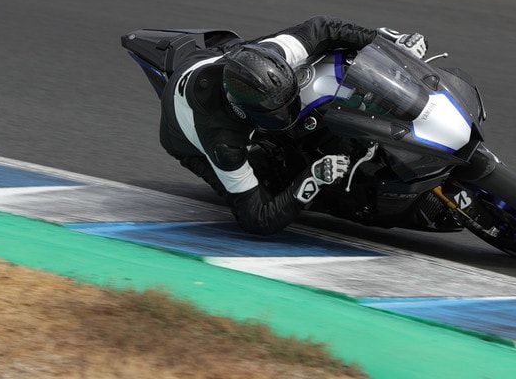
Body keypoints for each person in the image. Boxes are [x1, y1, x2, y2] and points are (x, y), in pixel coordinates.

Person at [159, 15, 427, 235]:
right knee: (263, 185)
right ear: (242, 109)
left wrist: (388, 44)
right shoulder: (223, 142)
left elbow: (323, 28)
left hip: (219, 58)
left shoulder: (269, 54)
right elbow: (257, 219)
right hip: (185, 139)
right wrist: (312, 177)